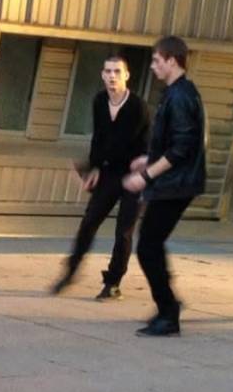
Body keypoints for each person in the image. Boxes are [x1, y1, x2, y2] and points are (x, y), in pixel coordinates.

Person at [123, 36, 206, 337]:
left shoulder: (180, 96)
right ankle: (168, 305)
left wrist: (146, 176)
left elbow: (182, 148)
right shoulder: (176, 92)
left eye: (157, 60)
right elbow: (175, 143)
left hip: (176, 185)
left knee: (148, 246)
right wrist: (148, 159)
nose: (153, 66)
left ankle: (169, 313)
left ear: (172, 60)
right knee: (152, 244)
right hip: (174, 182)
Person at [52, 55, 149, 299]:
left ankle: (113, 283)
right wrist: (93, 168)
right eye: (108, 71)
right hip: (109, 172)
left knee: (123, 231)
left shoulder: (138, 106)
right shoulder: (99, 101)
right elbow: (99, 137)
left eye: (117, 72)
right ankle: (70, 271)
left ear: (126, 76)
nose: (112, 76)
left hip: (135, 174)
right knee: (89, 222)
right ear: (102, 75)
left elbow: (129, 143)